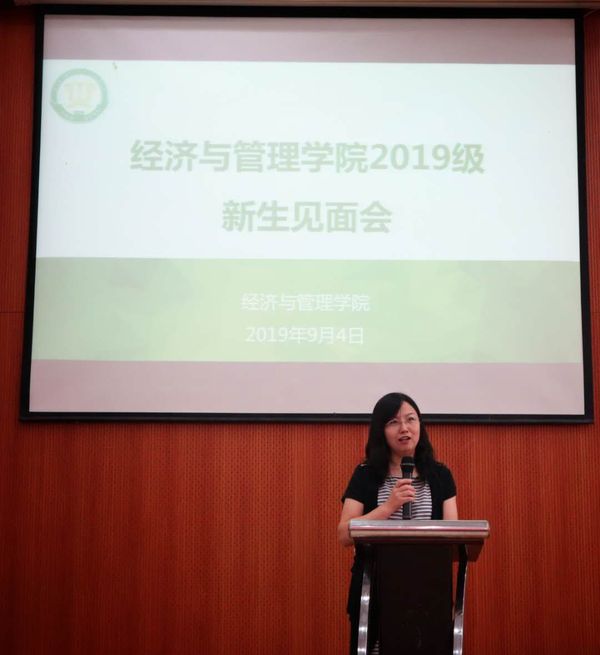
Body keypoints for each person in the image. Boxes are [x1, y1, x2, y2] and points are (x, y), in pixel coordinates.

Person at [337, 392, 458, 655]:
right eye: (393, 422)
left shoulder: (440, 475)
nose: (404, 428)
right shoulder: (366, 475)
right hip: (375, 594)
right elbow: (344, 533)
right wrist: (388, 507)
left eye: (411, 419)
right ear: (381, 431)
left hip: (428, 593)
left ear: (420, 425)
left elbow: (454, 537)